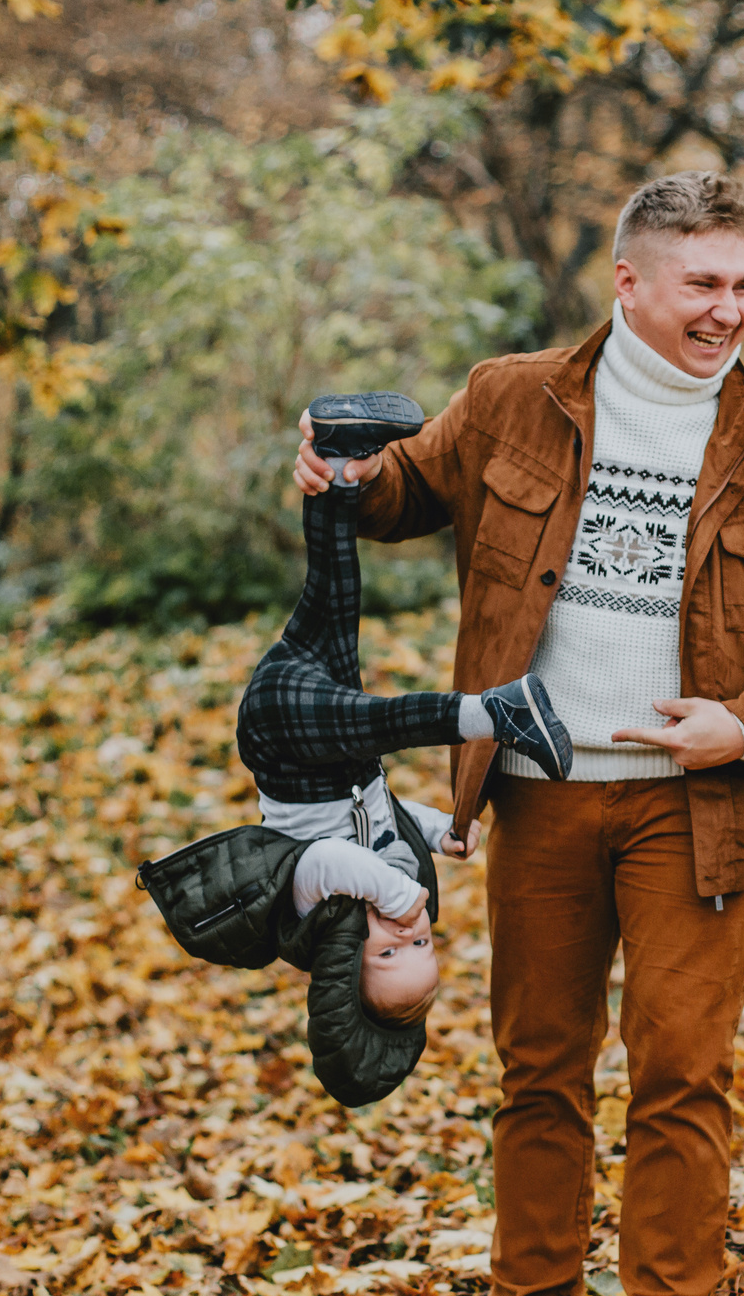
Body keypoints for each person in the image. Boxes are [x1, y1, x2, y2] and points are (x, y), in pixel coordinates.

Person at [291, 172, 744, 1296]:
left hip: (697, 810)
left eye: (741, 285)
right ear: (629, 283)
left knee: (681, 1071)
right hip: (539, 798)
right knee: (540, 1069)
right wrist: (341, 478)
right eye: (701, 284)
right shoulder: (513, 399)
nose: (727, 310)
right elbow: (404, 490)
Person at [235, 393, 576, 1026]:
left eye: (392, 952)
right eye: (423, 945)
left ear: (343, 957)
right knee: (333, 587)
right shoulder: (384, 882)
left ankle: (496, 714)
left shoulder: (312, 904)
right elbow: (383, 816)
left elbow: (335, 855)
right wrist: (438, 831)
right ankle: (341, 457)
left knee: (379, 722)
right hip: (324, 724)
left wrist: (402, 894)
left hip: (283, 731)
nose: (411, 930)